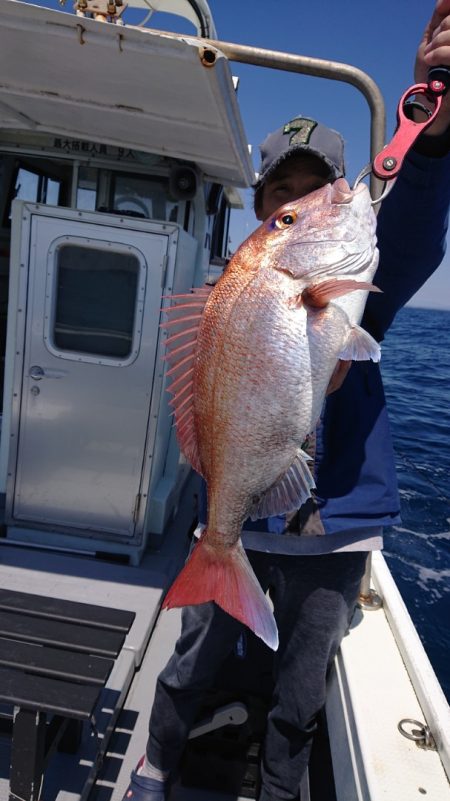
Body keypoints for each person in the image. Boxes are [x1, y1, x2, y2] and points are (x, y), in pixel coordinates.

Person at [123, 2, 450, 799]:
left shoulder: (358, 292)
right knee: (191, 658)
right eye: (286, 199)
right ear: (262, 211)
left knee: (302, 690)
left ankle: (279, 789)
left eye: (321, 188)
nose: (306, 201)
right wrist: (218, 518)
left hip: (332, 534)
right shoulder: (240, 294)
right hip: (237, 515)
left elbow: (410, 230)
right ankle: (155, 765)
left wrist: (435, 132)